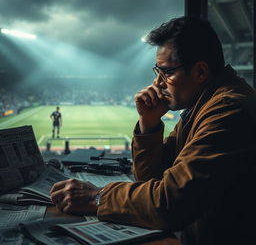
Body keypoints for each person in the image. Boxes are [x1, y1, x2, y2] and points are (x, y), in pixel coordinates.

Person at [50, 16, 256, 245]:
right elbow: (150, 179)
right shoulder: (203, 105)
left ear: (199, 72)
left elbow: (169, 204)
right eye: (157, 72)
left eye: (166, 73)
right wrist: (148, 123)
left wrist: (97, 197)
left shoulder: (227, 110)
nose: (157, 84)